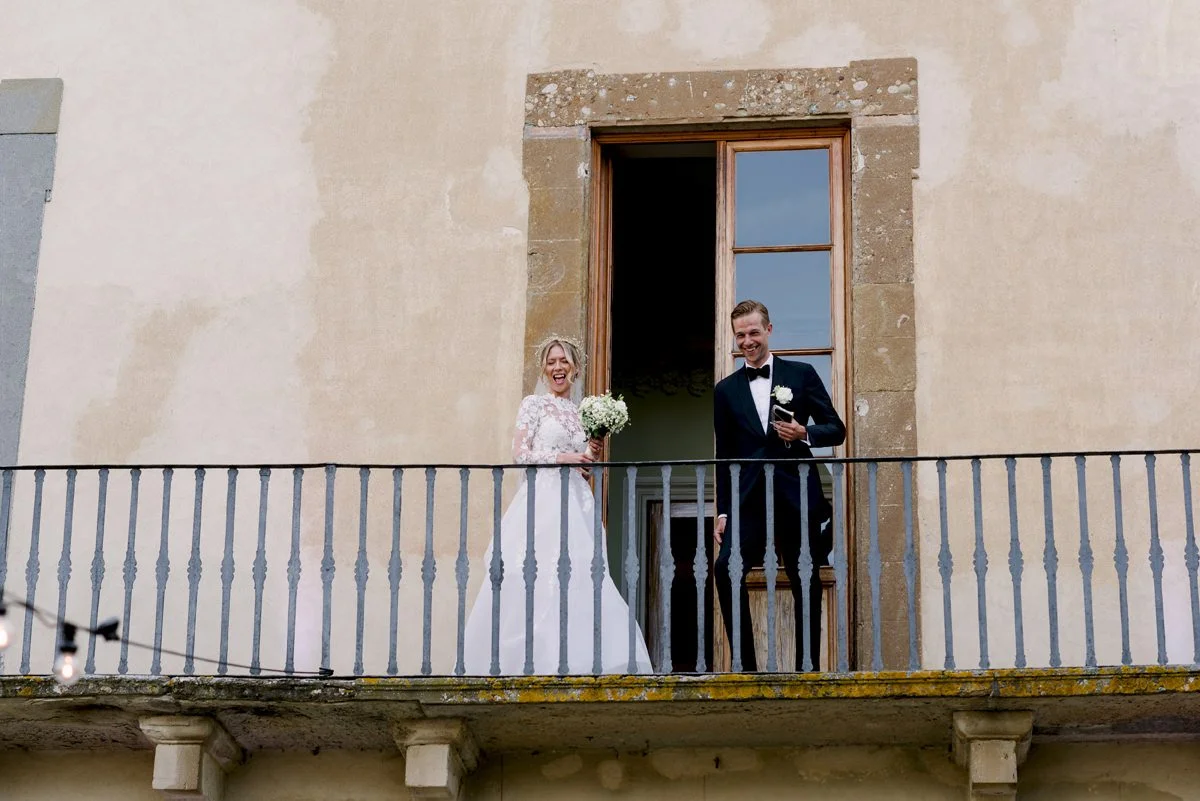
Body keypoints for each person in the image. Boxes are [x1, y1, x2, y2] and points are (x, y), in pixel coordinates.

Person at [462, 335, 653, 675]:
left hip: (577, 503)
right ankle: (528, 662)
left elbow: (586, 469)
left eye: (563, 361)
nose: (557, 367)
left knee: (580, 574)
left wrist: (592, 450)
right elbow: (520, 455)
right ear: (544, 369)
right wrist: (563, 457)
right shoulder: (533, 405)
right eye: (551, 362)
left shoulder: (583, 411)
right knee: (536, 571)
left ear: (575, 369)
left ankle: (574, 660)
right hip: (543, 500)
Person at [713, 300, 846, 672]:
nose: (748, 341)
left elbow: (837, 428)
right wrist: (722, 510)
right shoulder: (725, 391)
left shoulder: (801, 374)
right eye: (740, 335)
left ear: (769, 331)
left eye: (754, 332)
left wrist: (805, 431)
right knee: (725, 569)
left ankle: (808, 670)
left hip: (795, 491)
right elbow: (724, 455)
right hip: (749, 497)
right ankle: (746, 669)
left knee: (805, 574)